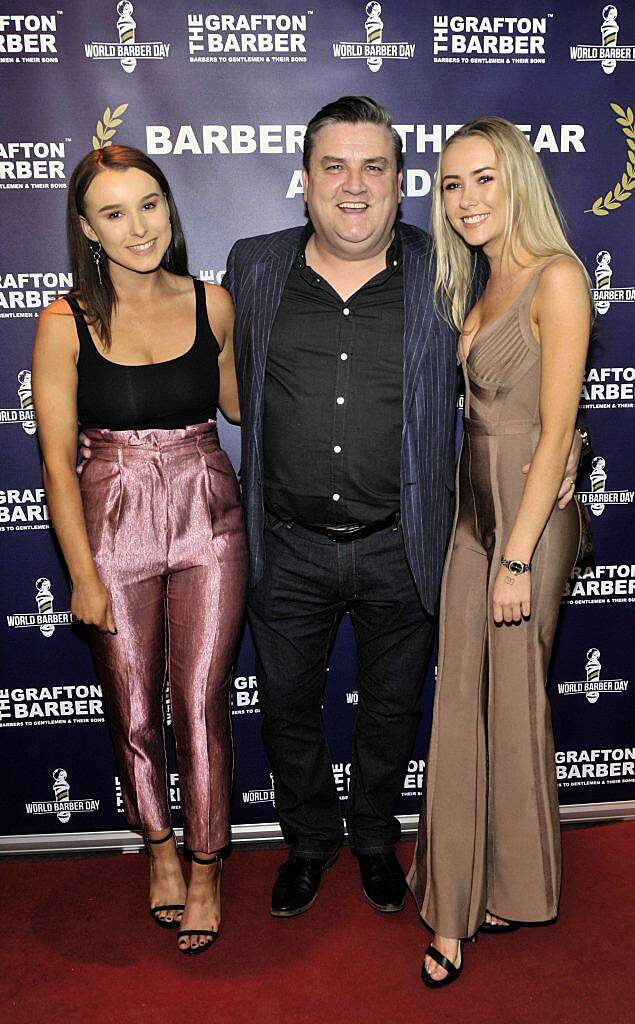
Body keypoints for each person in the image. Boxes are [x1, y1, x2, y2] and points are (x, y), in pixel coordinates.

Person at [221, 97, 582, 919]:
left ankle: (377, 840)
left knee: (393, 708)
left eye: (374, 167)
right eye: (335, 167)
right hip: (288, 540)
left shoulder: (446, 268)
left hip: (407, 540)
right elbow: (227, 395)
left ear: (397, 180)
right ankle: (309, 842)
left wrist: (570, 450)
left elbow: (519, 374)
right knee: (285, 708)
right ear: (303, 179)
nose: (354, 187)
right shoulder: (253, 266)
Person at [31, 145, 247, 956]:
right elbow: (56, 460)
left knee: (199, 701)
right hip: (111, 510)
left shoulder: (214, 304)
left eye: (149, 204)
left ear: (170, 208)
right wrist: (81, 574)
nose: (137, 226)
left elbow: (236, 402)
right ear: (86, 229)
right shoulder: (63, 323)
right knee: (131, 707)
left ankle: (205, 862)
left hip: (206, 508)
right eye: (114, 213)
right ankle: (156, 846)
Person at [406, 116, 590, 987]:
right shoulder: (473, 283)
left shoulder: (556, 278)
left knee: (511, 708)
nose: (467, 199)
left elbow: (555, 427)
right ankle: (463, 884)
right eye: (450, 184)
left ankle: (483, 903)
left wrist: (517, 558)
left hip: (523, 524)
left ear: (515, 180)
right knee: (461, 708)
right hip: (469, 512)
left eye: (483, 179)